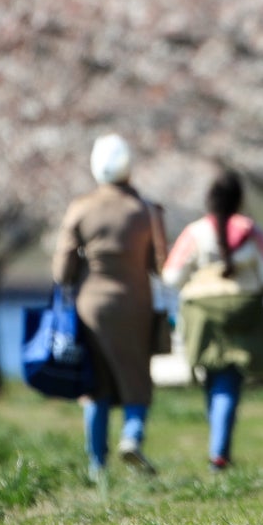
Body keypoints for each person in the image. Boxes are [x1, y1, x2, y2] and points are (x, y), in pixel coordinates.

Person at [51, 133, 166, 478]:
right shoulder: (147, 210)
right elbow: (161, 265)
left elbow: (62, 272)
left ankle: (96, 466)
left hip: (90, 306)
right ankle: (132, 436)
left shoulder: (80, 208)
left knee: (94, 385)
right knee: (136, 379)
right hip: (135, 304)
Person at [161, 169, 263, 472]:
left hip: (201, 312)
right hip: (243, 309)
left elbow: (171, 275)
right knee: (230, 380)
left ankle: (218, 449)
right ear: (239, 199)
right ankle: (219, 451)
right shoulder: (251, 231)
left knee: (215, 378)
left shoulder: (194, 232)